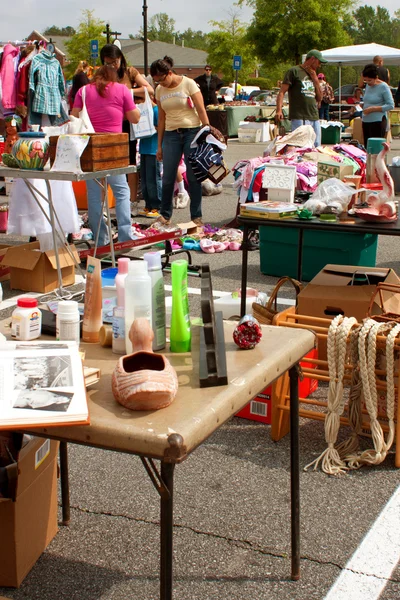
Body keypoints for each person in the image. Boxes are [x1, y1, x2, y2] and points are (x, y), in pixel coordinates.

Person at [71, 66, 140, 245]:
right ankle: (125, 236)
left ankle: (100, 240)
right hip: (113, 147)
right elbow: (135, 118)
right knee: (121, 191)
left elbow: (74, 116)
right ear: (114, 78)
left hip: (90, 146)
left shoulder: (83, 91)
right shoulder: (122, 90)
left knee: (94, 195)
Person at [150, 56, 217, 226]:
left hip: (192, 132)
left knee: (194, 176)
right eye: (156, 81)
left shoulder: (188, 83)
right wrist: (159, 145)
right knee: (168, 176)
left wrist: (207, 132)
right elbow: (162, 120)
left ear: (169, 73)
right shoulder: (159, 91)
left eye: (162, 80)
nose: (160, 84)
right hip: (171, 135)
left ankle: (196, 217)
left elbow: (201, 109)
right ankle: (165, 215)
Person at [100, 44, 154, 207]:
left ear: (121, 59)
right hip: (108, 124)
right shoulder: (102, 76)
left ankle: (131, 200)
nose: (112, 66)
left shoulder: (129, 72)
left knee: (129, 161)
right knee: (109, 162)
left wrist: (128, 91)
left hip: (128, 123)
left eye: (115, 61)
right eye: (108, 63)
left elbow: (149, 89)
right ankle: (110, 200)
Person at [276, 49, 328, 147]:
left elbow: (319, 98)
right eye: (319, 62)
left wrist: (315, 79)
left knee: (316, 145)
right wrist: (279, 110)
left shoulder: (314, 75)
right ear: (313, 59)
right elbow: (282, 91)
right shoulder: (294, 71)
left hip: (313, 115)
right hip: (299, 116)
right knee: (300, 146)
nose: (319, 65)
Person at [138, 99, 162, 218]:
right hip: (144, 148)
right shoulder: (141, 110)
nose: (137, 103)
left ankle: (157, 206)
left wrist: (149, 126)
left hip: (154, 149)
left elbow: (161, 128)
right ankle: (148, 204)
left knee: (154, 178)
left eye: (138, 100)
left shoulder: (156, 110)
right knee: (145, 179)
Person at [361, 63, 394, 147]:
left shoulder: (383, 87)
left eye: (370, 80)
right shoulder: (368, 86)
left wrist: (373, 109)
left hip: (378, 121)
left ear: (376, 77)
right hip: (366, 120)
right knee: (367, 147)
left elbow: (390, 105)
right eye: (365, 80)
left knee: (376, 148)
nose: (367, 83)